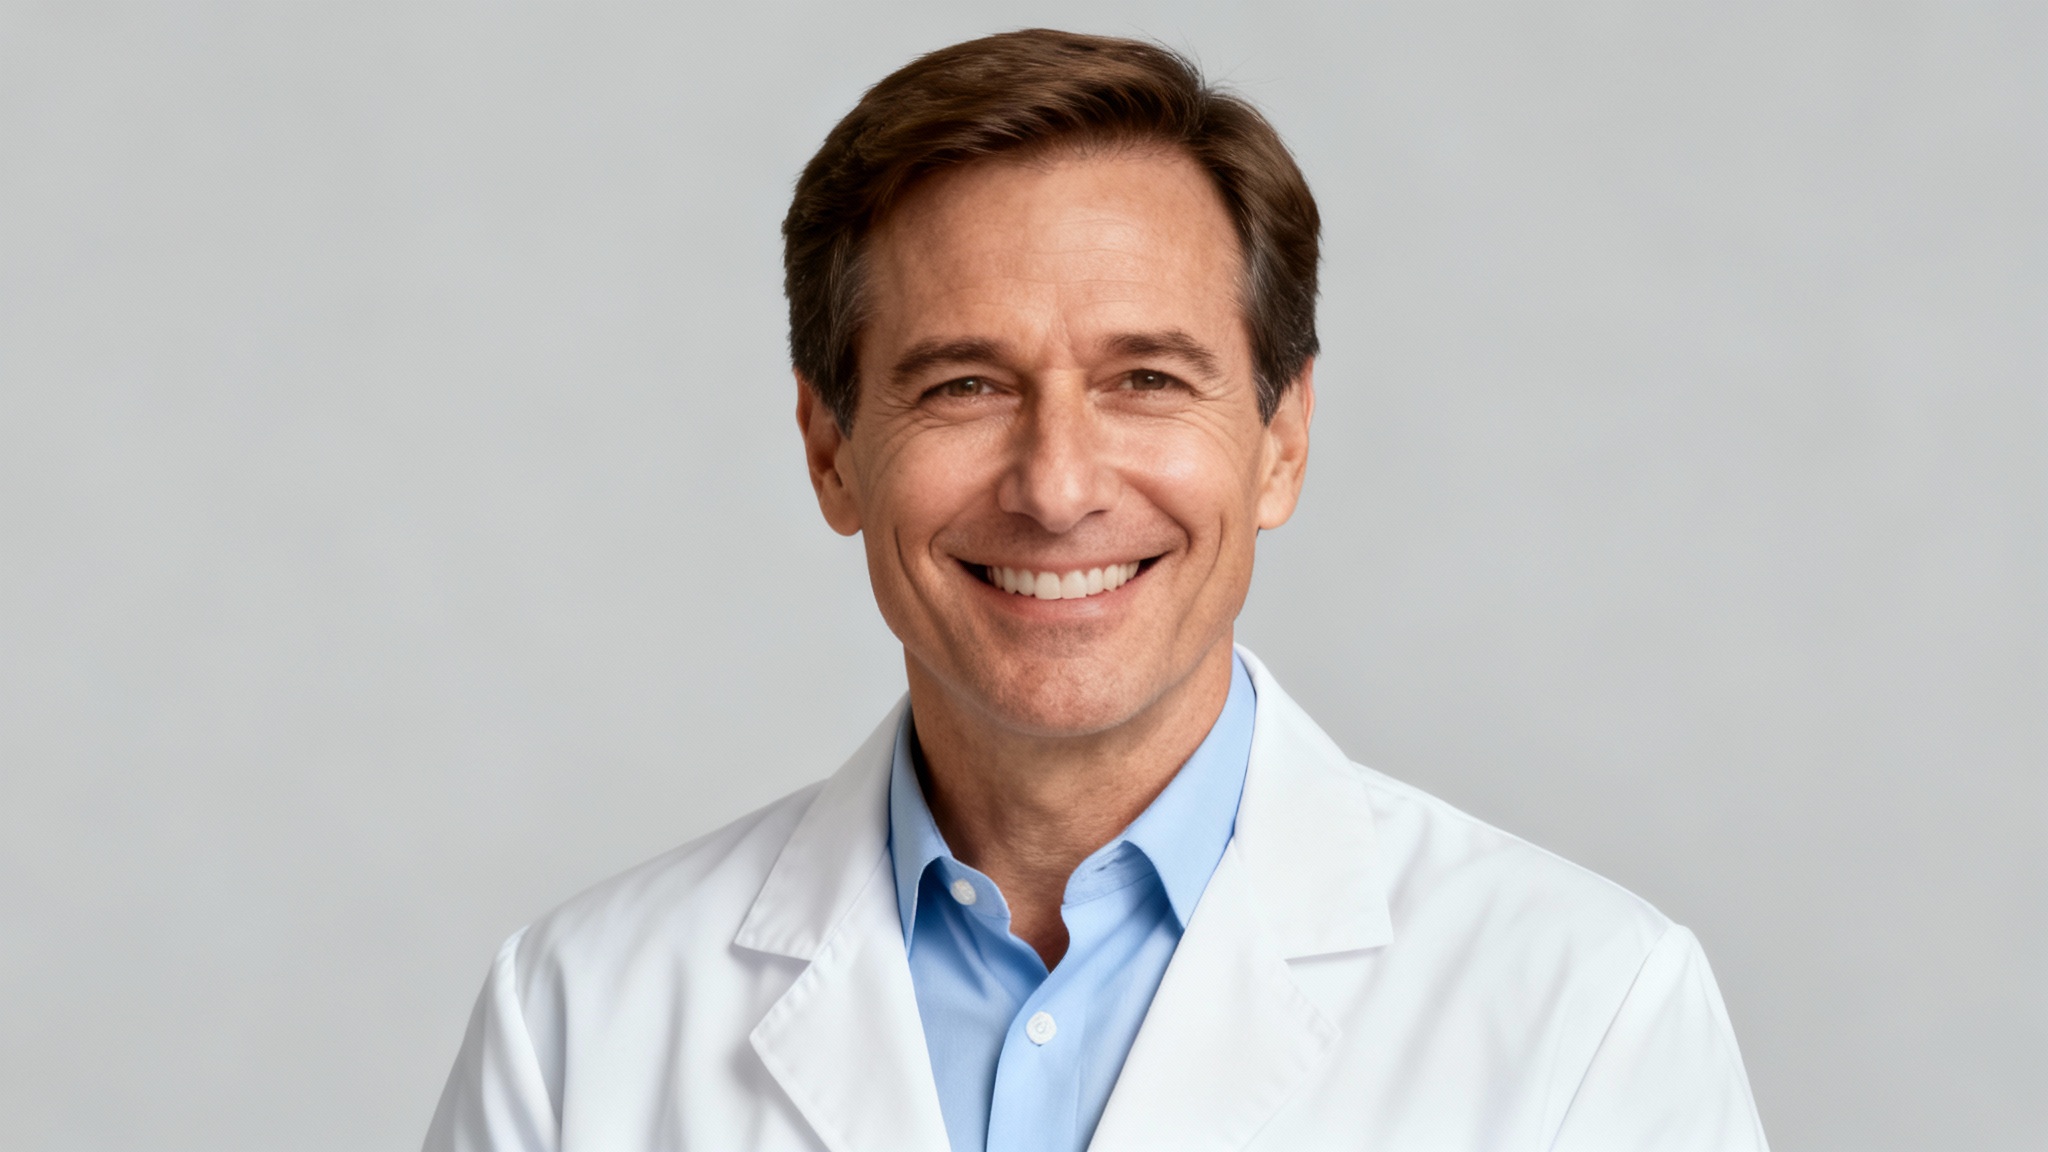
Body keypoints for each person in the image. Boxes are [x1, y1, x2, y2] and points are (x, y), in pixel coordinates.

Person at [425, 29, 1767, 1152]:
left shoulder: (1588, 1016)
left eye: (1148, 380)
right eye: (964, 384)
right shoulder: (578, 1028)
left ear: (1281, 440)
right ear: (831, 450)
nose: (1057, 487)